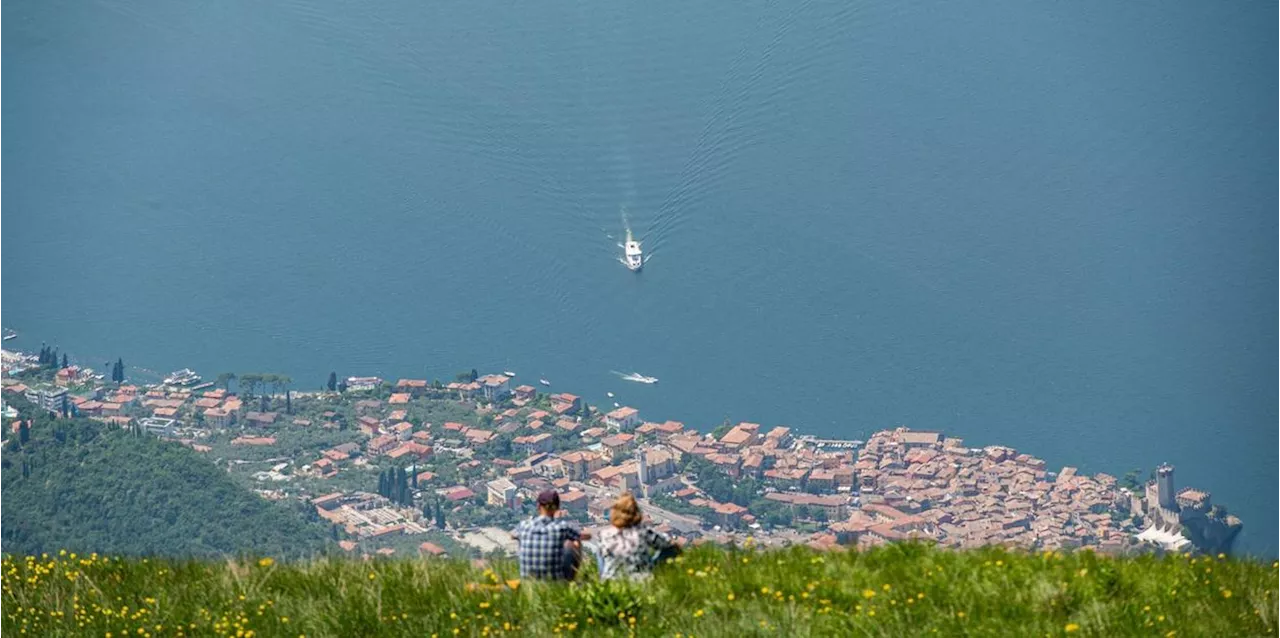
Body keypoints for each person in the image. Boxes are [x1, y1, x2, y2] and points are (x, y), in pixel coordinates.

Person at [593, 492, 681, 580]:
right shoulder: (643, 532)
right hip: (641, 580)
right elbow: (669, 543)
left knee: (600, 552)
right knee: (671, 549)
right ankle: (652, 569)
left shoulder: (604, 535)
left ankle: (604, 577)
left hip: (611, 583)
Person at [512, 490, 591, 581]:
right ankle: (571, 579)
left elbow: (512, 535)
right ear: (557, 508)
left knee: (522, 539)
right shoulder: (563, 527)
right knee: (573, 543)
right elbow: (585, 536)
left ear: (538, 506)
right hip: (555, 581)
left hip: (528, 583)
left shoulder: (524, 526)